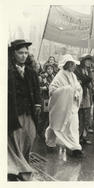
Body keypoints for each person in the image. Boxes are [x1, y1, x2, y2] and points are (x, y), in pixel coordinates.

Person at [8, 39, 41, 181]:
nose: (24, 56)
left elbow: (36, 89)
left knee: (29, 136)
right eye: (20, 53)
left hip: (29, 111)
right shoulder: (8, 71)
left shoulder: (31, 72)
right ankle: (14, 169)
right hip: (14, 111)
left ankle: (22, 164)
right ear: (13, 53)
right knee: (14, 140)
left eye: (26, 53)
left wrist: (38, 103)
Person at [45, 54, 83, 158]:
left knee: (74, 125)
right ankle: (50, 142)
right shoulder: (59, 75)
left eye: (73, 63)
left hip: (72, 106)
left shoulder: (73, 76)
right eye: (70, 64)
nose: (72, 66)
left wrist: (76, 92)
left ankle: (75, 148)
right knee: (55, 125)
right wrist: (67, 90)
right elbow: (52, 90)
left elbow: (78, 88)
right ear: (66, 64)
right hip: (61, 106)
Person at [74, 54, 93, 145]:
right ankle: (78, 136)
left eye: (90, 61)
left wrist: (87, 81)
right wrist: (86, 80)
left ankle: (84, 136)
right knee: (80, 116)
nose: (89, 62)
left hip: (86, 94)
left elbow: (89, 82)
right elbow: (79, 82)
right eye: (87, 60)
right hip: (80, 94)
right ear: (83, 61)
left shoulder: (88, 70)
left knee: (87, 116)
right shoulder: (77, 70)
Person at [38, 63, 55, 139]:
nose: (50, 70)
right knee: (44, 115)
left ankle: (46, 131)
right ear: (46, 69)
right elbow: (41, 87)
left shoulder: (53, 77)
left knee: (50, 115)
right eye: (48, 69)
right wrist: (44, 87)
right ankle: (40, 131)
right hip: (45, 98)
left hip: (52, 98)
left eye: (51, 69)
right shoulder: (43, 77)